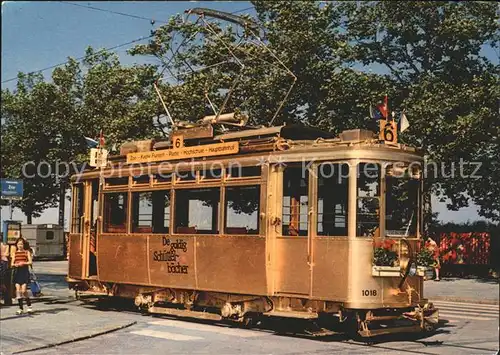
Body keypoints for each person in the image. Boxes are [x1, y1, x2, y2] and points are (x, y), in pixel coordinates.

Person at [11, 237, 33, 314]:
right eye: (18, 244)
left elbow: (30, 262)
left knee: (23, 291)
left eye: (21, 244)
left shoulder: (26, 252)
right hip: (17, 272)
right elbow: (12, 264)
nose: (20, 245)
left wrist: (23, 263)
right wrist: (15, 264)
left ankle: (29, 305)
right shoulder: (15, 253)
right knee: (18, 291)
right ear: (16, 245)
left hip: (24, 272)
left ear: (24, 245)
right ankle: (20, 308)